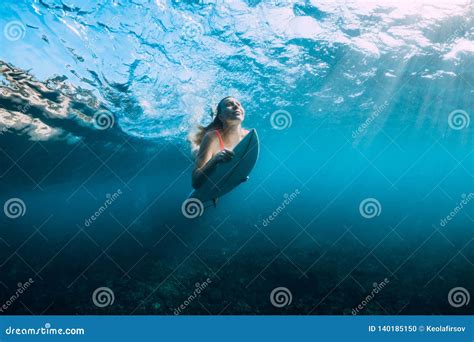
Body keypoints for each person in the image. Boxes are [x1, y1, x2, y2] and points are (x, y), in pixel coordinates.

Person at [191, 96, 249, 189]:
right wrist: (214, 160)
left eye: (239, 104)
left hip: (220, 130)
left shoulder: (247, 136)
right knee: (195, 148)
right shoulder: (211, 137)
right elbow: (195, 183)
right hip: (204, 146)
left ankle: (214, 113)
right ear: (221, 117)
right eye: (229, 104)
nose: (236, 106)